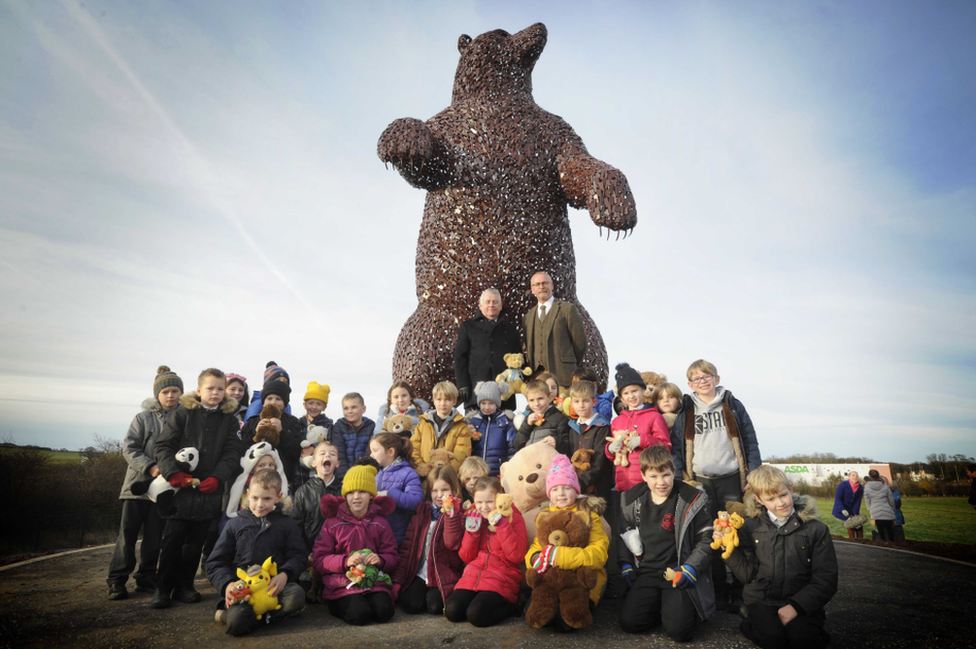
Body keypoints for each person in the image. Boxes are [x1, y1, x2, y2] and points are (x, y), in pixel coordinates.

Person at [670, 359, 761, 608]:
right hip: (700, 482)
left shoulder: (732, 405)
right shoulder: (687, 411)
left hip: (732, 479)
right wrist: (681, 478)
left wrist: (753, 474)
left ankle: (740, 587)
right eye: (696, 379)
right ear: (690, 384)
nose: (702, 381)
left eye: (706, 376)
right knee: (710, 535)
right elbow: (677, 448)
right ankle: (717, 587)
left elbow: (750, 440)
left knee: (737, 532)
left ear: (716, 379)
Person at [152, 368, 243, 609]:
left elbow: (232, 453)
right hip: (180, 493)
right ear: (199, 390)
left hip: (208, 493)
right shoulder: (183, 414)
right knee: (172, 541)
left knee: (195, 544)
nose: (215, 393)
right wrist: (174, 473)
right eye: (210, 388)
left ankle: (185, 585)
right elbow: (163, 446)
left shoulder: (230, 420)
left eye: (220, 389)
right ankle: (163, 587)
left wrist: (217, 477)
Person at [721, 465, 838, 649]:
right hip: (762, 600)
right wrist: (728, 551)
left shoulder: (816, 529)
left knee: (804, 640)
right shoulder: (750, 528)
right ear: (759, 499)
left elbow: (826, 579)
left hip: (800, 599)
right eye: (771, 499)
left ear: (790, 489)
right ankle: (750, 621)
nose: (780, 503)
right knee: (773, 639)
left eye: (783, 495)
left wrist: (796, 606)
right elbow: (747, 575)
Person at [618, 445, 715, 642]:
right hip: (647, 572)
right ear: (644, 475)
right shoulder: (631, 500)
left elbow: (706, 540)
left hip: (678, 572)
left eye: (666, 475)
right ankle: (662, 607)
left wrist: (691, 568)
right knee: (630, 623)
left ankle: (680, 609)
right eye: (653, 476)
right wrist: (625, 564)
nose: (661, 482)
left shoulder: (691, 499)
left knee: (680, 633)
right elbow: (624, 534)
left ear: (674, 472)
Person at [107, 365, 183, 600]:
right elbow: (129, 448)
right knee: (127, 535)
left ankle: (146, 579)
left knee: (154, 537)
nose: (170, 396)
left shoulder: (185, 418)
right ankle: (117, 580)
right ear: (157, 394)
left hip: (163, 490)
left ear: (181, 393)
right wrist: (150, 466)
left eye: (174, 391)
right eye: (165, 392)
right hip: (136, 487)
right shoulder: (142, 418)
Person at [206, 469, 306, 636]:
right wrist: (227, 585)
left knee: (296, 596)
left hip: (273, 587)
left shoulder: (287, 523)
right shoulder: (235, 524)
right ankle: (253, 617)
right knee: (236, 624)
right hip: (244, 591)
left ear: (278, 497)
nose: (260, 504)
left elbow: (299, 555)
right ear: (247, 494)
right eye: (255, 498)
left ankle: (254, 617)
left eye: (267, 498)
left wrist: (285, 574)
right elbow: (215, 562)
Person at [525, 454, 609, 629]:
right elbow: (535, 547)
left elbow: (599, 553)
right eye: (555, 489)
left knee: (565, 623)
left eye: (566, 488)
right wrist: (535, 558)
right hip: (551, 581)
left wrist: (559, 556)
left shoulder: (588, 516)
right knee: (537, 616)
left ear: (576, 490)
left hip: (581, 583)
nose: (560, 494)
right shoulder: (547, 516)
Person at [312, 460, 399, 626]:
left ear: (372, 495)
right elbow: (319, 559)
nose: (356, 497)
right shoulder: (332, 523)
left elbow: (393, 555)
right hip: (343, 583)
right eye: (351, 492)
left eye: (362, 491)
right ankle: (335, 604)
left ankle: (367, 602)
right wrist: (345, 561)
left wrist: (381, 560)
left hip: (373, 582)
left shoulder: (381, 522)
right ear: (345, 495)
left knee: (385, 612)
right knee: (359, 615)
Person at [447, 476, 527, 627]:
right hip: (474, 574)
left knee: (476, 615)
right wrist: (473, 532)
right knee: (452, 611)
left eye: (489, 502)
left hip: (502, 575)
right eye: (479, 502)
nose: (484, 507)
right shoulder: (475, 517)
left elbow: (516, 556)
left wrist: (502, 526)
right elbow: (466, 557)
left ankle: (514, 607)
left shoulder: (513, 518)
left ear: (499, 498)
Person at [391, 466, 465, 615]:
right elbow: (407, 550)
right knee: (411, 605)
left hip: (442, 573)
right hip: (421, 573)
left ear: (454, 490)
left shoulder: (459, 515)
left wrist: (451, 514)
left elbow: (452, 543)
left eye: (444, 490)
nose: (439, 495)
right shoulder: (421, 514)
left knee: (435, 606)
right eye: (434, 490)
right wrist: (398, 581)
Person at [454, 288, 523, 411]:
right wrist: (462, 385)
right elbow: (460, 358)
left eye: (495, 302)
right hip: (476, 394)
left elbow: (519, 357)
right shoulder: (468, 327)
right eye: (488, 302)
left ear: (501, 306)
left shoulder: (510, 329)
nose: (491, 305)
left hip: (504, 394)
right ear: (480, 305)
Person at [605, 363, 671, 492]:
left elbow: (666, 446)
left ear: (643, 390)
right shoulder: (617, 421)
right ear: (621, 397)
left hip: (647, 484)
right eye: (626, 393)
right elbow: (613, 456)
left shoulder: (655, 416)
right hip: (623, 482)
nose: (631, 396)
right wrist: (610, 450)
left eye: (635, 391)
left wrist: (642, 440)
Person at [523, 272, 587, 388]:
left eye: (545, 283)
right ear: (532, 289)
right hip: (537, 379)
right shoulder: (528, 317)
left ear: (552, 286)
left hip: (563, 378)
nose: (541, 287)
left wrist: (567, 364)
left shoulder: (567, 309)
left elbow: (580, 343)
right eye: (537, 284)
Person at [240, 380, 304, 491]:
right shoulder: (252, 421)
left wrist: (282, 432)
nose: (273, 402)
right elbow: (242, 447)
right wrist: (255, 433)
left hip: (282, 478)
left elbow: (296, 451)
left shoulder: (293, 422)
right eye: (269, 398)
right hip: (254, 479)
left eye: (278, 399)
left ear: (285, 403)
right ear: (263, 402)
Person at [290, 441, 342, 556]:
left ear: (337, 463)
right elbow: (296, 526)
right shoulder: (303, 492)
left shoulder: (344, 491)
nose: (327, 456)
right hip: (310, 552)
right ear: (313, 463)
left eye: (332, 454)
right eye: (322, 453)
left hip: (337, 553)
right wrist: (304, 553)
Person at [370, 433, 424, 544]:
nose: (371, 455)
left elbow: (416, 501)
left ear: (390, 452)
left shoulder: (408, 473)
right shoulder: (373, 472)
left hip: (396, 535)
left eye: (375, 450)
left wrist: (390, 494)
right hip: (373, 534)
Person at [411, 382, 472, 473]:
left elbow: (461, 454)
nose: (443, 403)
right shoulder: (423, 423)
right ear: (434, 401)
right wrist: (422, 467)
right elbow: (414, 447)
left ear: (454, 401)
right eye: (439, 399)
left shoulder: (461, 426)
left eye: (447, 400)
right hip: (424, 475)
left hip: (447, 476)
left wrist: (445, 472)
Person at [567, 380, 612, 498]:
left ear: (594, 402)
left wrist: (579, 483)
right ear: (572, 404)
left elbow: (598, 461)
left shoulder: (602, 427)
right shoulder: (572, 427)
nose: (581, 405)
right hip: (577, 486)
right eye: (577, 401)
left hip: (598, 487)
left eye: (585, 401)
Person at [224, 442, 290, 519]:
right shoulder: (241, 489)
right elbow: (227, 521)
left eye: (271, 464)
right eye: (261, 465)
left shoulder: (282, 488)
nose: (267, 468)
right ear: (251, 469)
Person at [465, 381, 516, 477]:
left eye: (491, 403)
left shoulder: (505, 422)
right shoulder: (474, 422)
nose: (487, 407)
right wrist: (468, 434)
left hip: (498, 473)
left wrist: (509, 470)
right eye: (483, 403)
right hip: (477, 473)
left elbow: (511, 450)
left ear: (497, 404)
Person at [514, 379, 571, 455]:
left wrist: (556, 443)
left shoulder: (560, 418)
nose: (536, 404)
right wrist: (527, 425)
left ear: (549, 397)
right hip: (530, 461)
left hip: (549, 463)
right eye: (531, 400)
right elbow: (518, 445)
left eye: (540, 399)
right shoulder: (528, 418)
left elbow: (567, 448)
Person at [334, 392, 376, 472]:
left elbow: (369, 451)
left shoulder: (371, 426)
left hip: (364, 472)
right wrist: (343, 476)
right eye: (346, 408)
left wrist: (362, 471)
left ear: (363, 408)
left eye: (354, 407)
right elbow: (339, 452)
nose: (350, 411)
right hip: (344, 474)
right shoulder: (339, 426)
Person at [863, 469, 896, 542]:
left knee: (881, 534)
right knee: (890, 534)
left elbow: (867, 500)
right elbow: (891, 500)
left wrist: (870, 509)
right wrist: (892, 509)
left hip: (875, 511)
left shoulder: (867, 487)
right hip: (887, 511)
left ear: (870, 477)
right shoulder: (885, 487)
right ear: (879, 476)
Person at [832, 471, 864, 539]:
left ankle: (861, 540)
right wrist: (842, 509)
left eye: (856, 475)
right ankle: (852, 540)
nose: (855, 477)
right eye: (853, 475)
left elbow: (858, 501)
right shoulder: (843, 485)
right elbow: (838, 498)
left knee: (858, 524)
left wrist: (856, 513)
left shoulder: (860, 487)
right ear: (849, 477)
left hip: (852, 509)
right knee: (850, 523)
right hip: (841, 508)